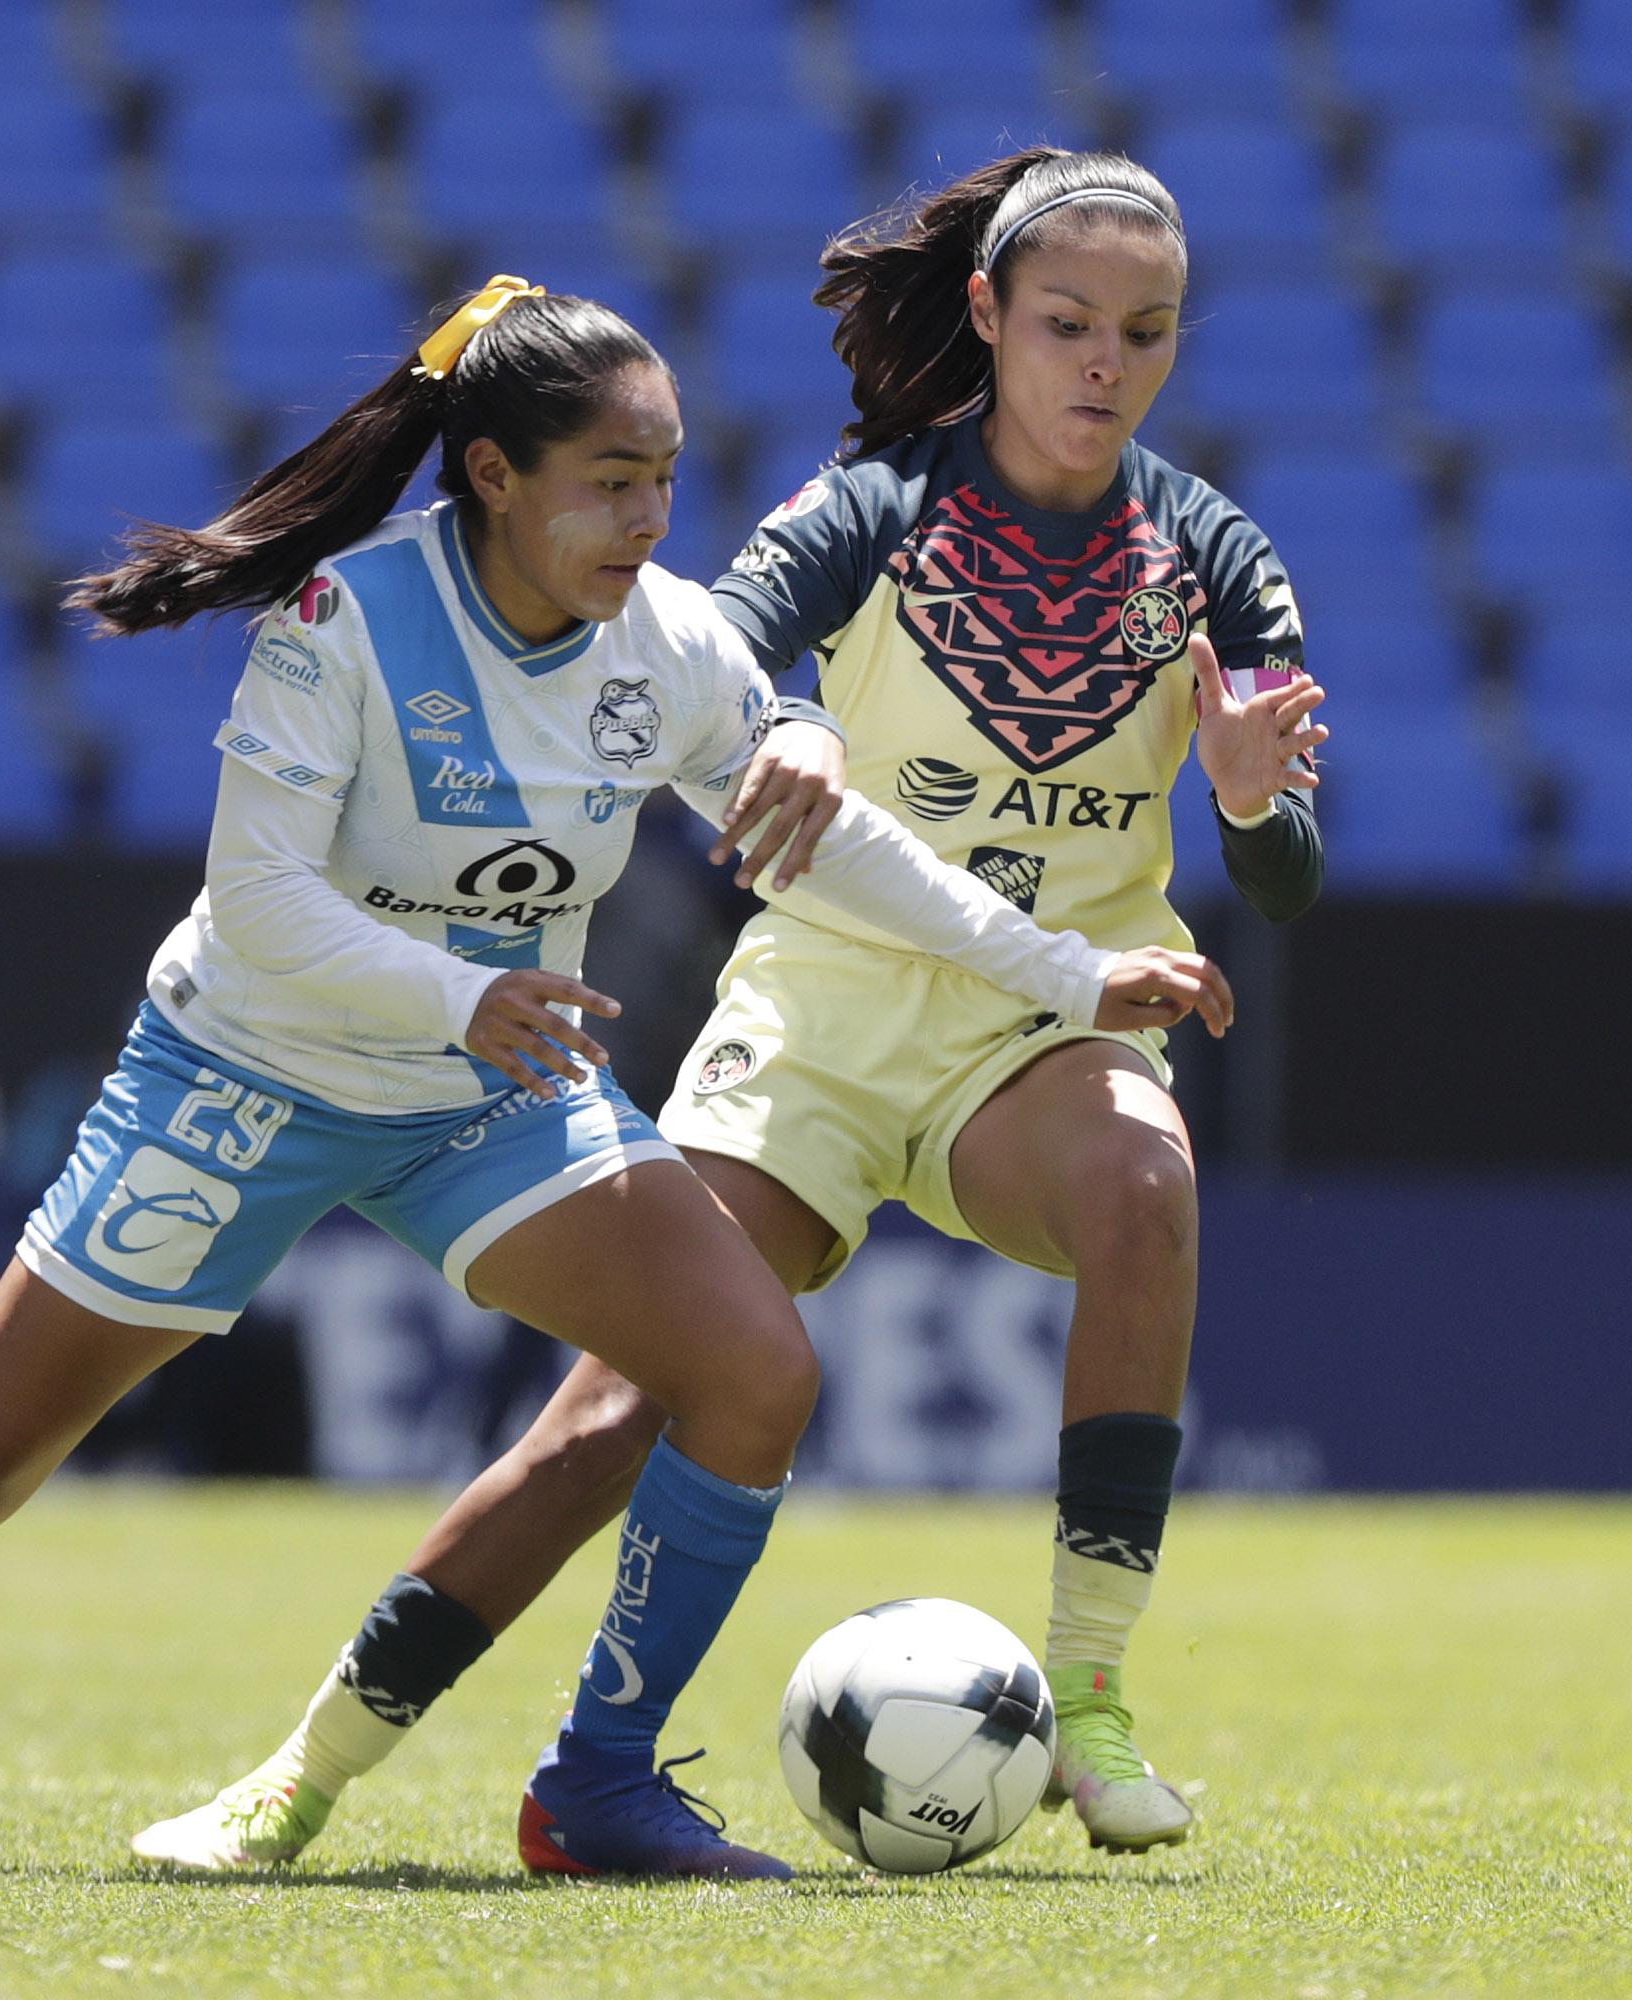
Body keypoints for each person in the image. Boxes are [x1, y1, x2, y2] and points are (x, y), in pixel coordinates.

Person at [0, 279, 1230, 1881]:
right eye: (611, 482)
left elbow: (833, 846)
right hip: (248, 1078)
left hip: (485, 1096)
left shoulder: (670, 643)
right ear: (492, 474)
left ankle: (597, 1785)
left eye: (664, 480)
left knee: (754, 1370)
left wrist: (1067, 972)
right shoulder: (345, 620)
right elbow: (258, 903)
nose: (649, 520)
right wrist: (466, 994)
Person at [138, 150, 1328, 1876]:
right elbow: (716, 642)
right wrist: (798, 725)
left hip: (1046, 1025)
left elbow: (1286, 879)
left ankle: (1090, 1698)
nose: (1105, 364)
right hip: (825, 1011)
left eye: (1145, 334)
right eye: (1068, 322)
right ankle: (304, 1774)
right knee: (620, 1409)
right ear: (988, 313)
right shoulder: (872, 507)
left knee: (1149, 1188)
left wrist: (1246, 800)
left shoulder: (1212, 554)